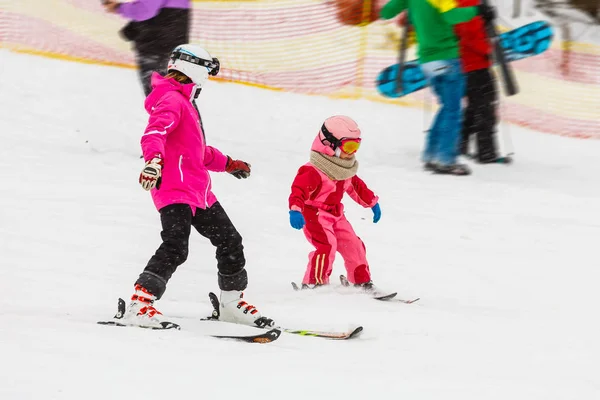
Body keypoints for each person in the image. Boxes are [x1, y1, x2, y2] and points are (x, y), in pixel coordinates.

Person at [123, 44, 274, 329]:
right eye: (207, 70)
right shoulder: (171, 100)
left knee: (230, 241)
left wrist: (228, 163)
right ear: (195, 69)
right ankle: (139, 304)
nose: (207, 77)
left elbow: (197, 152)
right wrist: (153, 161)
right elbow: (154, 133)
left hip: (199, 192)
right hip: (173, 188)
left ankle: (230, 303)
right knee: (176, 246)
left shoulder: (186, 102)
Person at [381, 0, 496, 175]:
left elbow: (386, 12)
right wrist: (477, 10)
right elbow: (451, 16)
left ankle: (431, 155)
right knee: (453, 110)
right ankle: (446, 159)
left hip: (426, 61)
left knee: (446, 108)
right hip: (446, 57)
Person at [288, 116, 383, 293]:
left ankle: (361, 281)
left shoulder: (344, 168)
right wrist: (295, 210)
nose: (352, 152)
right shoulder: (313, 170)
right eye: (348, 146)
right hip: (314, 214)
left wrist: (372, 203)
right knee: (326, 245)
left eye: (356, 146)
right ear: (329, 144)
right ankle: (313, 282)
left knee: (353, 244)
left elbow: (356, 186)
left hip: (336, 214)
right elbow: (298, 191)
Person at [102, 0, 191, 96]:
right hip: (171, 50)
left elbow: (145, 10)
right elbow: (158, 13)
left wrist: (119, 8)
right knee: (179, 99)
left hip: (156, 51)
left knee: (162, 100)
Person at [454, 0, 503, 163]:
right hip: (475, 65)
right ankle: (486, 152)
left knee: (474, 107)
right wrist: (488, 50)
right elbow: (470, 33)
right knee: (485, 108)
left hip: (468, 65)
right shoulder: (467, 3)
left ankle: (460, 144)